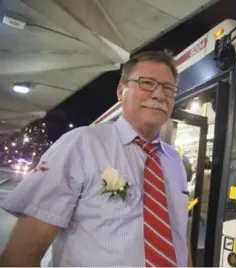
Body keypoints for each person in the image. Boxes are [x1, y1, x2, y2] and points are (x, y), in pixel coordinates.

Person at [0, 51, 192, 267]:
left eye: (168, 88)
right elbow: (22, 253)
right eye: (146, 83)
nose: (159, 94)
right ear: (121, 91)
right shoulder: (81, 145)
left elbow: (177, 236)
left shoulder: (174, 161)